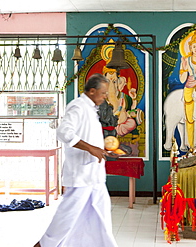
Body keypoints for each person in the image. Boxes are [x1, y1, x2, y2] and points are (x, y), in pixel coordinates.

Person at [34, 73, 118, 247]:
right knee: (68, 214)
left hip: (93, 175)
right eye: (103, 93)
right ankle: (43, 244)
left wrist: (102, 151)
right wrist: (92, 149)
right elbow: (63, 132)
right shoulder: (78, 107)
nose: (105, 97)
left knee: (100, 214)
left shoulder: (91, 109)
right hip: (81, 175)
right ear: (92, 91)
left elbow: (88, 138)